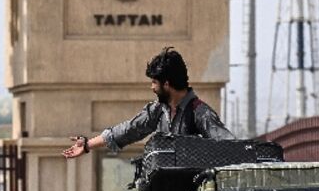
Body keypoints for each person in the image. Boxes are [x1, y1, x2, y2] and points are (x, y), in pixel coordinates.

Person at [62, 47, 234, 159]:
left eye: (154, 82)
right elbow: (130, 129)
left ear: (166, 84)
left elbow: (231, 148)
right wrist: (87, 145)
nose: (151, 87)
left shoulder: (200, 114)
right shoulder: (158, 110)